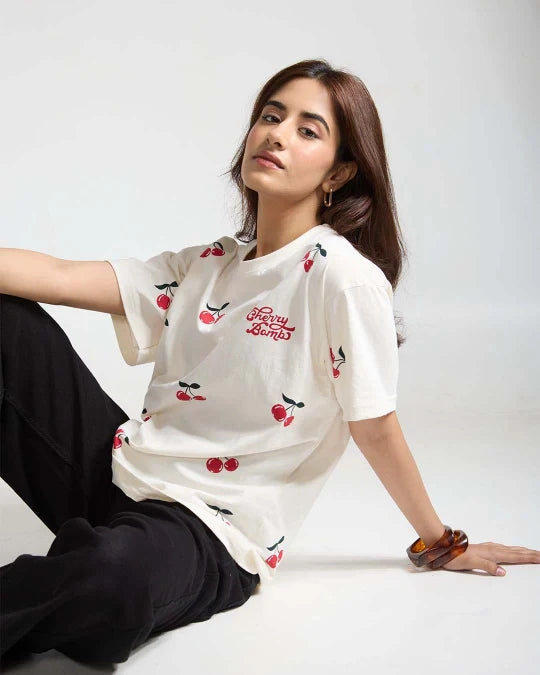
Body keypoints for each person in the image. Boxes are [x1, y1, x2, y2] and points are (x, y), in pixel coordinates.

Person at [1, 58, 538, 666]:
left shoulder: (344, 280)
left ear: (340, 172)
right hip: (119, 473)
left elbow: (375, 426)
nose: (278, 134)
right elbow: (59, 275)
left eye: (308, 130)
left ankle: (81, 573)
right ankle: (85, 565)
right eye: (271, 116)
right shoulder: (207, 265)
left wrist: (440, 542)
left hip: (207, 531)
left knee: (113, 581)